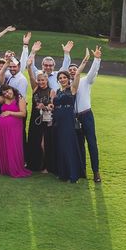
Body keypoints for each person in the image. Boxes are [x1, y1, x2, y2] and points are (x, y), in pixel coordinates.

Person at [52, 51, 88, 183]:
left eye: (64, 77)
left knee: (69, 145)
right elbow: (54, 105)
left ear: (68, 79)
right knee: (61, 145)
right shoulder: (57, 91)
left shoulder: (72, 89)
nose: (62, 79)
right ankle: (63, 173)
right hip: (58, 119)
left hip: (68, 119)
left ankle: (73, 173)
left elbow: (77, 73)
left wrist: (85, 60)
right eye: (60, 78)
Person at [0, 84, 31, 178]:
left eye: (8, 91)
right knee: (5, 146)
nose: (6, 93)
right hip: (2, 128)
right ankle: (6, 168)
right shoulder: (4, 99)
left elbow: (23, 114)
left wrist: (9, 112)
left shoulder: (20, 99)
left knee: (13, 146)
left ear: (12, 89)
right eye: (4, 92)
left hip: (15, 128)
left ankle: (15, 168)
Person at [70, 45, 102, 182]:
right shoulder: (67, 86)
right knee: (78, 144)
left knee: (92, 143)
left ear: (78, 70)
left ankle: (96, 172)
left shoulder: (85, 81)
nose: (72, 71)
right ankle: (82, 170)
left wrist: (97, 59)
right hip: (74, 117)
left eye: (74, 69)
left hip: (86, 115)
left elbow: (93, 71)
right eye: (70, 70)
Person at [26, 62, 55, 173]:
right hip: (35, 118)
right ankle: (33, 165)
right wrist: (29, 66)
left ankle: (46, 166)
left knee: (44, 143)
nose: (41, 82)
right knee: (33, 141)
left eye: (43, 80)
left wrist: (45, 107)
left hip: (46, 119)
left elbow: (52, 107)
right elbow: (30, 76)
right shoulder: (35, 89)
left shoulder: (51, 91)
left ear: (47, 80)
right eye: (39, 80)